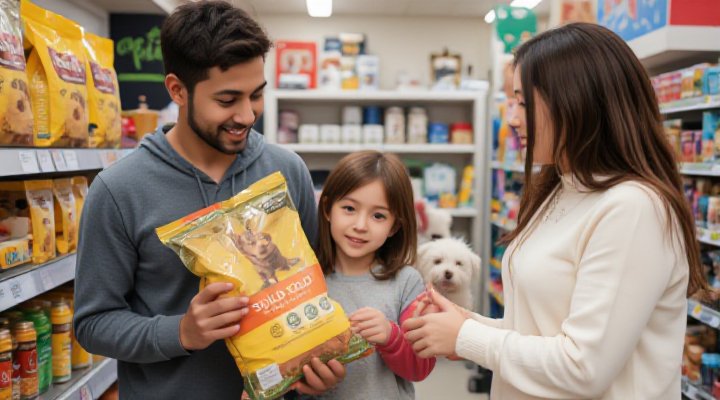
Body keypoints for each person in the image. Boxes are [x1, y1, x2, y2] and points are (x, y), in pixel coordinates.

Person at [403, 22, 706, 399]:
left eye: (523, 103)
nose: (512, 119)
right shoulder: (560, 190)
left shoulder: (634, 209)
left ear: (578, 102)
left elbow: (583, 367)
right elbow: (540, 334)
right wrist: (466, 323)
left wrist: (466, 337)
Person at [73, 2, 344, 398]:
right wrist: (181, 331)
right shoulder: (118, 190)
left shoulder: (287, 171)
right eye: (227, 99)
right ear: (177, 90)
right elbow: (93, 325)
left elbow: (320, 285)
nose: (248, 115)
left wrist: (325, 361)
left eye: (256, 95)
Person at [314, 151, 435, 399]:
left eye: (378, 215)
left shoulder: (406, 282)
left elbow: (420, 368)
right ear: (327, 209)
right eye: (349, 208)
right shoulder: (305, 281)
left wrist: (392, 337)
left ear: (395, 226)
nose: (360, 224)